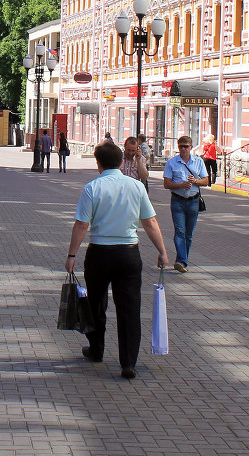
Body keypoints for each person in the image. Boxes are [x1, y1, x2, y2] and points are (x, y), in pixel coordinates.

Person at [65, 142, 168, 380]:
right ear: (121, 162)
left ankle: (96, 349)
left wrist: (72, 255)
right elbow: (150, 222)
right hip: (128, 254)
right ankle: (128, 362)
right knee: (129, 308)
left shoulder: (92, 188)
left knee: (96, 304)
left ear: (98, 163)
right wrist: (162, 251)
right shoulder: (136, 186)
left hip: (99, 253)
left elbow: (82, 224)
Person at [162, 135, 209, 273]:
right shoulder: (172, 163)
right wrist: (181, 184)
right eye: (181, 146)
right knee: (180, 231)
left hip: (193, 200)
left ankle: (183, 261)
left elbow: (206, 181)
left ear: (190, 147)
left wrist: (194, 181)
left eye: (186, 146)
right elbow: (166, 184)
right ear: (178, 147)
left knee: (189, 234)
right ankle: (181, 261)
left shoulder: (198, 162)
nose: (183, 149)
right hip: (177, 200)